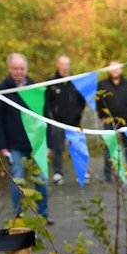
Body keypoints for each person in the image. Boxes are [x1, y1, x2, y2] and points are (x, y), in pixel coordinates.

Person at [0, 53, 49, 222]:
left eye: (21, 68)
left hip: (37, 144)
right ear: (9, 69)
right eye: (15, 68)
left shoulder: (35, 89)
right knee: (17, 180)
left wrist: (49, 143)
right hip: (14, 145)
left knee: (42, 180)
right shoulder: (1, 90)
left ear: (26, 69)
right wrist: (1, 146)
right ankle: (18, 215)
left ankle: (43, 214)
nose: (19, 72)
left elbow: (46, 117)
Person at [45, 54, 87, 185]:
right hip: (58, 122)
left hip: (75, 122)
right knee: (57, 148)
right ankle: (58, 173)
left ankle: (82, 172)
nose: (64, 68)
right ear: (58, 66)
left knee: (78, 147)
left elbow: (82, 100)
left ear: (69, 66)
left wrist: (77, 112)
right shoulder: (51, 83)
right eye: (62, 65)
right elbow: (47, 102)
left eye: (66, 65)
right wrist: (53, 115)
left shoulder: (76, 81)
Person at [96, 61, 127, 181]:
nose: (115, 71)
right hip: (109, 122)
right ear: (109, 70)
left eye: (117, 68)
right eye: (112, 68)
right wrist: (102, 115)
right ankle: (107, 174)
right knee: (109, 149)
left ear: (121, 70)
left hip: (126, 122)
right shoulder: (102, 84)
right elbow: (98, 102)